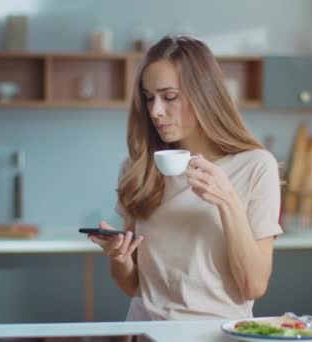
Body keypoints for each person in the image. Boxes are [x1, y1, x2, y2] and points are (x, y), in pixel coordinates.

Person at [87, 35, 282, 320]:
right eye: (148, 98)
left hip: (216, 336)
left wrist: (227, 202)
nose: (156, 111)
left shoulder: (255, 166)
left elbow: (253, 286)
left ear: (204, 94)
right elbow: (133, 288)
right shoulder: (138, 167)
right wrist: (120, 257)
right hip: (146, 332)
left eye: (169, 97)